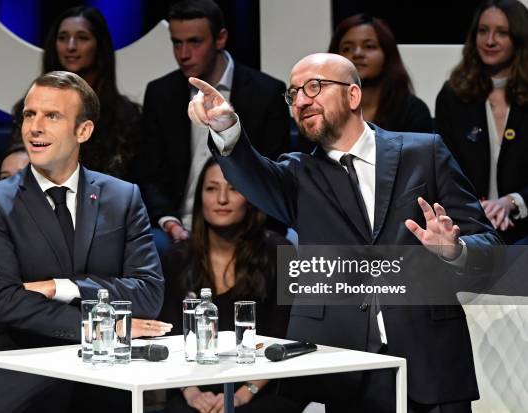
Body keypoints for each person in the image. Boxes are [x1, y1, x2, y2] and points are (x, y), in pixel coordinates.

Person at [187, 53, 501, 412]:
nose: (302, 100)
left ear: (353, 96)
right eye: (293, 94)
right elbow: (252, 175)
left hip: (429, 364)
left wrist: (455, 250)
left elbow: (490, 245)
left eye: (314, 87)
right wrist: (227, 130)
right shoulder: (298, 175)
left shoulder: (424, 152)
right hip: (347, 369)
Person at [0, 71, 164, 412]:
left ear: (83, 131)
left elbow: (148, 293)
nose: (35, 127)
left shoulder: (122, 198)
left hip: (108, 384)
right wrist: (105, 326)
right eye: (30, 114)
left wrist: (62, 287)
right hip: (25, 385)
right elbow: (4, 302)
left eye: (52, 116)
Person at [139, 0, 290, 244]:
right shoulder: (161, 92)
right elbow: (150, 174)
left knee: (278, 248)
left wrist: (253, 227)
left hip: (248, 223)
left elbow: (276, 172)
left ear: (220, 39)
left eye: (195, 42)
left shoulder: (266, 92)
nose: (184, 54)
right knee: (154, 245)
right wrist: (169, 222)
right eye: (177, 43)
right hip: (181, 225)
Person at [159, 157, 295, 413]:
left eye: (234, 188)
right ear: (200, 197)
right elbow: (172, 335)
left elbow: (284, 337)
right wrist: (192, 393)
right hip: (192, 388)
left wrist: (244, 394)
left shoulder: (280, 252)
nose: (222, 199)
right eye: (211, 189)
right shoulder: (176, 258)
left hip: (262, 388)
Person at [12, 6, 142, 181]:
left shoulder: (125, 115)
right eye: (63, 38)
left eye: (82, 38)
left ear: (99, 46)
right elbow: (17, 167)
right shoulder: (27, 108)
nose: (71, 46)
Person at [435, 0, 528, 244]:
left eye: (502, 33)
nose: (489, 41)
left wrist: (512, 202)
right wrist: (479, 207)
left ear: (519, 38)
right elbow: (444, 167)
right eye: (483, 31)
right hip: (469, 223)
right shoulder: (453, 95)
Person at [329, 13, 432, 133]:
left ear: (387, 55)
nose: (357, 54)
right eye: (347, 48)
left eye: (369, 46)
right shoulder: (323, 110)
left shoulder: (412, 111)